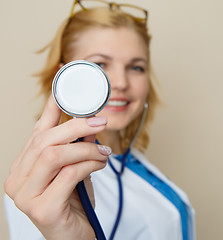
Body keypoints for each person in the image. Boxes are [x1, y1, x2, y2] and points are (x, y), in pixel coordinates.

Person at [3, 0, 195, 239]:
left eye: (136, 67)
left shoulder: (131, 160)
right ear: (64, 78)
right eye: (101, 64)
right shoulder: (41, 185)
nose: (122, 82)